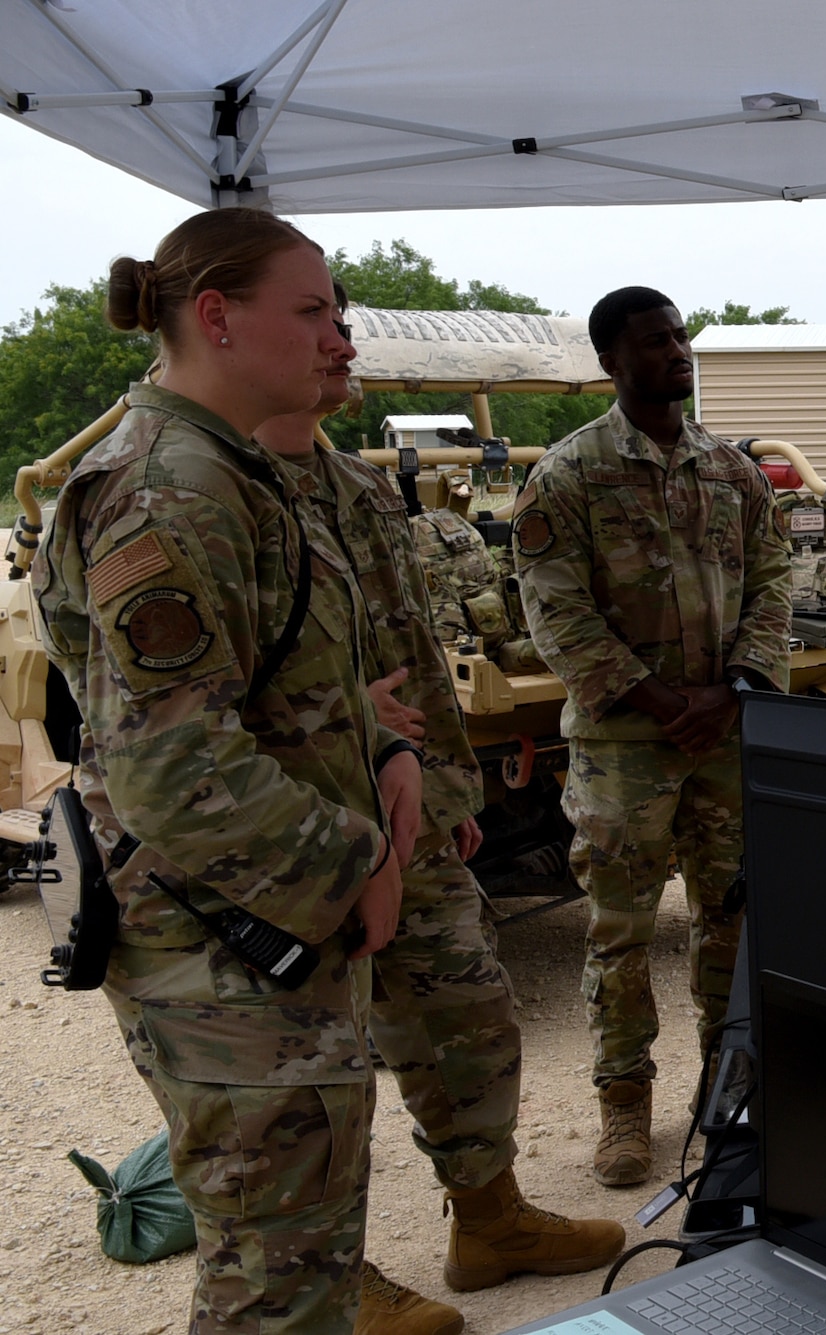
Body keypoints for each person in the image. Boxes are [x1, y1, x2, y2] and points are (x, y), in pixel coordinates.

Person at [32, 209, 417, 1332]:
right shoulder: (172, 490)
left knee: (298, 1252)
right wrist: (360, 862)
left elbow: (257, 687)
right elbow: (169, 766)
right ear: (217, 318)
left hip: (254, 933)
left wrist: (381, 747)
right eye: (308, 311)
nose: (332, 332)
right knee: (276, 1284)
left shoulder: (237, 475)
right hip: (222, 948)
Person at [253, 286, 623, 1332]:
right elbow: (156, 718)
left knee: (466, 1012)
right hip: (282, 825)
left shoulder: (352, 486)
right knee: (304, 1067)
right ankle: (328, 1280)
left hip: (403, 804)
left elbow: (410, 646)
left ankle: (488, 1217)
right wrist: (335, 721)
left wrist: (449, 786)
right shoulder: (197, 487)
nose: (343, 343)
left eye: (341, 323)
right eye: (316, 319)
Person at [514, 286, 792, 1186]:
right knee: (621, 935)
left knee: (731, 922)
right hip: (626, 745)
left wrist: (738, 684)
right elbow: (554, 610)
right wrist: (659, 698)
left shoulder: (731, 470)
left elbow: (774, 576)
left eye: (679, 336)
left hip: (725, 734)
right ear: (611, 361)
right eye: (654, 341)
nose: (677, 351)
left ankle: (727, 1093)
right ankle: (624, 1108)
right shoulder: (568, 475)